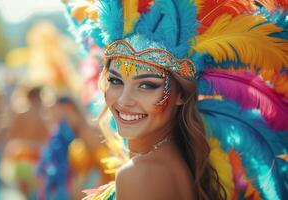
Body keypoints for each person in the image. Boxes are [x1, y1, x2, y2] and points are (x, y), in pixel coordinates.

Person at [63, 0, 288, 199]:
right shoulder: (178, 161)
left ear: (181, 94)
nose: (124, 100)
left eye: (146, 85)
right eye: (115, 81)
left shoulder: (140, 174)